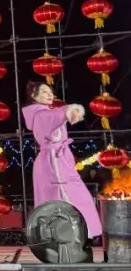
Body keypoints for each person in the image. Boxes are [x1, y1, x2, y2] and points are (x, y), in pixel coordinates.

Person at [22, 81, 102, 238]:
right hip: (53, 162)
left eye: (50, 91)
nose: (50, 95)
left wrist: (70, 111)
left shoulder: (44, 113)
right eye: (44, 92)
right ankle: (69, 235)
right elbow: (56, 115)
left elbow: (57, 115)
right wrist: (70, 109)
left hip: (59, 159)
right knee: (64, 197)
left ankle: (75, 234)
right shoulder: (41, 115)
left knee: (67, 196)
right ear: (34, 96)